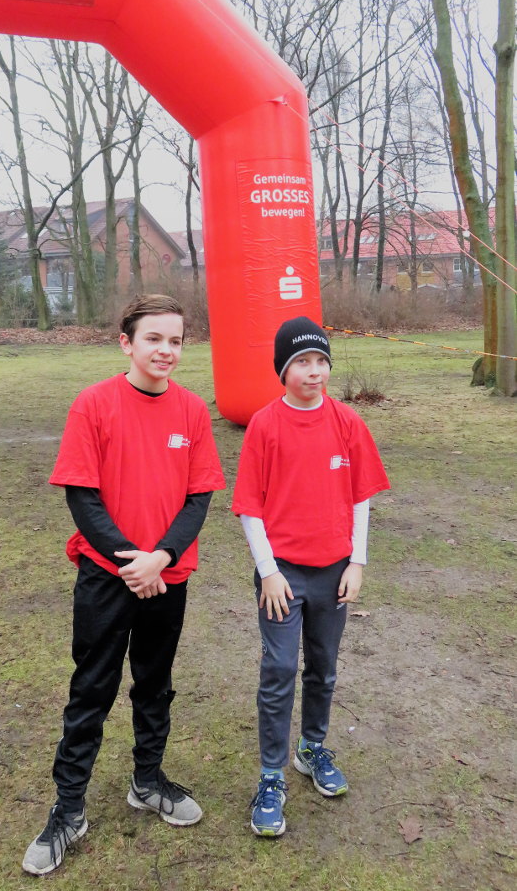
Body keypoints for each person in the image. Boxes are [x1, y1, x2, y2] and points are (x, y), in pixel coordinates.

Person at [22, 294, 225, 875]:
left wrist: (160, 558)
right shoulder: (93, 404)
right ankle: (69, 809)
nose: (165, 351)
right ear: (126, 343)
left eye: (175, 341)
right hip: (107, 578)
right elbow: (81, 495)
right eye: (153, 339)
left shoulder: (192, 411)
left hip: (167, 576)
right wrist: (131, 563)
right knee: (92, 688)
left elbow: (198, 498)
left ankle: (147, 780)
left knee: (155, 684)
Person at [231, 316, 389, 838]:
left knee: (322, 667)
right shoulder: (265, 425)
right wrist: (268, 572)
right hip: (282, 577)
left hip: (334, 574)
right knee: (279, 669)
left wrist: (357, 562)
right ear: (283, 369)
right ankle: (270, 776)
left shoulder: (347, 422)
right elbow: (250, 507)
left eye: (322, 360)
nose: (314, 371)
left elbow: (360, 498)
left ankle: (312, 747)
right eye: (302, 362)